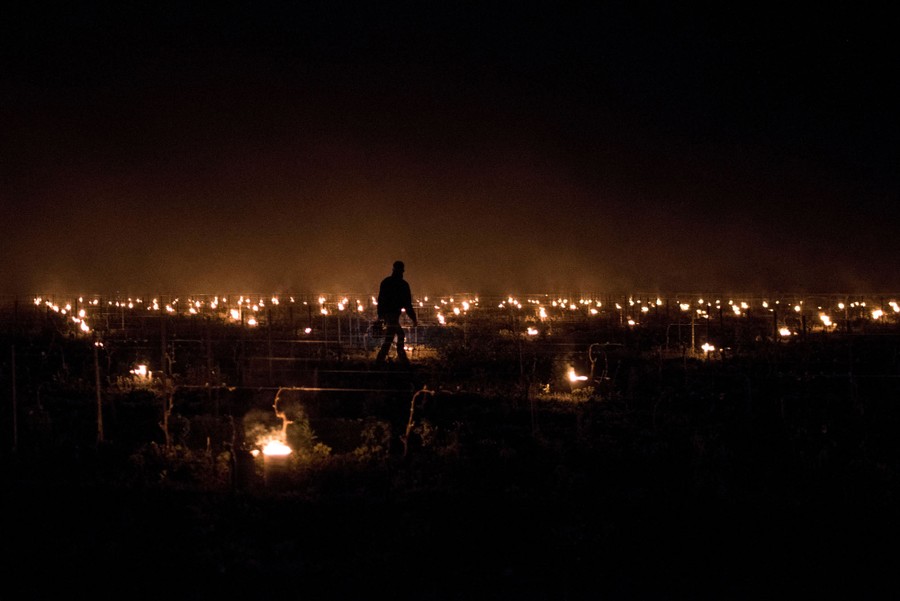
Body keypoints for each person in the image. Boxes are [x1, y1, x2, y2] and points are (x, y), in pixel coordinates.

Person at [375, 260, 418, 367]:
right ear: (402, 271)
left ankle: (395, 358)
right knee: (391, 338)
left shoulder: (386, 282)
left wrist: (380, 315)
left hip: (387, 315)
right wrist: (413, 318)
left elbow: (380, 300)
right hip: (392, 315)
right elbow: (407, 304)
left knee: (396, 335)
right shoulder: (403, 285)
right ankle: (386, 360)